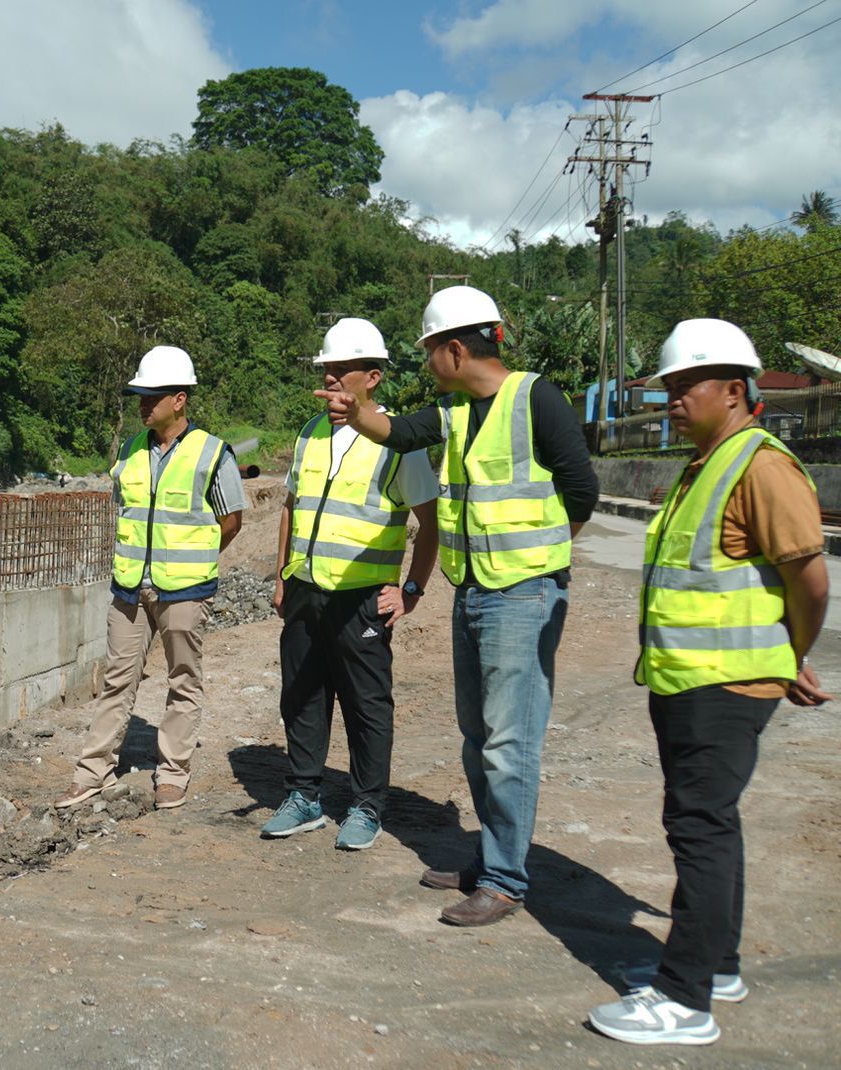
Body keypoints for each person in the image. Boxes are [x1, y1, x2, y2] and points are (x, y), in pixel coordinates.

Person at [316, 285, 598, 926]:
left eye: (427, 353)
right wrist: (354, 409)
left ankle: (504, 880)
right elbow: (397, 432)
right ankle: (490, 858)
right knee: (477, 737)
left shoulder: (535, 399)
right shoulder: (457, 412)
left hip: (522, 594)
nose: (425, 365)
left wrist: (545, 559)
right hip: (473, 591)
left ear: (453, 348)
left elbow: (581, 489)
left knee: (509, 741)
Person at [587, 319, 830, 1046]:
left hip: (723, 687)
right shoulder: (708, 463)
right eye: (667, 388)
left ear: (733, 390)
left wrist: (792, 652)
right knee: (709, 823)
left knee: (700, 828)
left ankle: (685, 1000)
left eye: (683, 386)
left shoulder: (759, 466)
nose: (672, 400)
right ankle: (716, 966)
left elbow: (809, 579)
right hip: (694, 681)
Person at [265, 318, 440, 850]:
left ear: (374, 377)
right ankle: (304, 797)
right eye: (327, 370)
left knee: (367, 706)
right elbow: (292, 508)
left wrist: (410, 592)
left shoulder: (399, 441)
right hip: (305, 592)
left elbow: (429, 522)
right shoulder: (309, 434)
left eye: (343, 371)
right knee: (301, 697)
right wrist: (282, 577)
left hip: (363, 600)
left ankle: (366, 806)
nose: (333, 380)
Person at [55, 345, 245, 812]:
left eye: (151, 396)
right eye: (138, 395)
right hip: (129, 590)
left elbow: (231, 521)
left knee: (184, 680)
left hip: (184, 591)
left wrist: (190, 559)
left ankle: (173, 773)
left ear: (179, 399)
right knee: (118, 681)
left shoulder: (212, 453)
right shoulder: (130, 451)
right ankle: (92, 771)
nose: (142, 403)